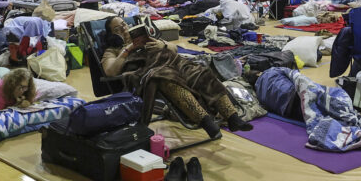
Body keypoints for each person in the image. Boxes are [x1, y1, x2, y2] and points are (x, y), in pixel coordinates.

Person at [100, 17, 250, 138]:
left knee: (201, 72)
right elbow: (111, 71)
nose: (124, 29)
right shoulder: (112, 50)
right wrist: (128, 49)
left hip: (175, 63)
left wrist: (161, 44)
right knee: (167, 79)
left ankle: (232, 117)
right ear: (111, 34)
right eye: (117, 29)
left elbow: (174, 49)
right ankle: (206, 121)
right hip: (153, 71)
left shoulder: (148, 39)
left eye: (124, 24)